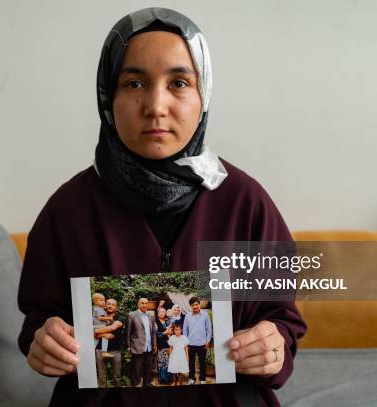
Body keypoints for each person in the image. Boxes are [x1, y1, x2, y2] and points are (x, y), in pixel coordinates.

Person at [17, 7, 306, 407]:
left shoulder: (245, 203)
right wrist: (43, 341)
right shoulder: (67, 211)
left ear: (202, 95)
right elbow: (38, 320)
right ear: (107, 95)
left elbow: (283, 324)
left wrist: (272, 347)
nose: (155, 105)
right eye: (134, 82)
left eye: (179, 82)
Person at [126, 298, 157, 387]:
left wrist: (154, 344)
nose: (144, 305)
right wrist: (128, 346)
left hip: (149, 346)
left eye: (146, 303)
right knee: (136, 368)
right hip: (137, 346)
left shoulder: (150, 316)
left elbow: (153, 332)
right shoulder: (132, 315)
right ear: (138, 304)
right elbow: (128, 332)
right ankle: (136, 384)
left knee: (148, 367)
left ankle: (147, 383)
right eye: (142, 303)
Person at [94, 298, 124, 387]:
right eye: (108, 304)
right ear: (105, 306)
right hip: (100, 350)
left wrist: (97, 331)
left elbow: (113, 328)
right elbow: (92, 334)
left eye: (113, 304)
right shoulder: (99, 317)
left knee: (117, 377)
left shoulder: (120, 318)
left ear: (116, 307)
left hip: (115, 351)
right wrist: (103, 335)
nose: (110, 306)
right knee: (102, 377)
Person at [183, 297, 212, 384]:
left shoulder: (205, 315)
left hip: (202, 343)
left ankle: (203, 379)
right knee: (191, 363)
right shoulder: (187, 316)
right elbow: (185, 330)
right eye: (193, 305)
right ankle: (191, 378)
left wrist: (208, 341)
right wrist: (185, 342)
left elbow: (209, 329)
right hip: (190, 343)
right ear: (190, 306)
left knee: (202, 363)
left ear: (199, 305)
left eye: (196, 304)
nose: (195, 306)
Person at [155, 306, 173, 384]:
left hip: (168, 345)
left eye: (163, 312)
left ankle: (169, 379)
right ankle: (162, 379)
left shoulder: (167, 321)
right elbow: (155, 334)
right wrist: (165, 333)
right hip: (160, 345)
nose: (162, 313)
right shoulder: (155, 322)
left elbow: (172, 332)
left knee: (169, 362)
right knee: (161, 362)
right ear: (158, 313)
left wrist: (170, 333)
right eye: (160, 312)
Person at [92, 293, 114, 357]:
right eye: (101, 300)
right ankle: (104, 351)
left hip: (97, 326)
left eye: (104, 300)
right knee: (106, 336)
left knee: (96, 340)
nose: (104, 302)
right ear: (95, 302)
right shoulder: (99, 309)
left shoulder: (97, 308)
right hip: (99, 326)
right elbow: (100, 318)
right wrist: (108, 318)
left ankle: (91, 349)